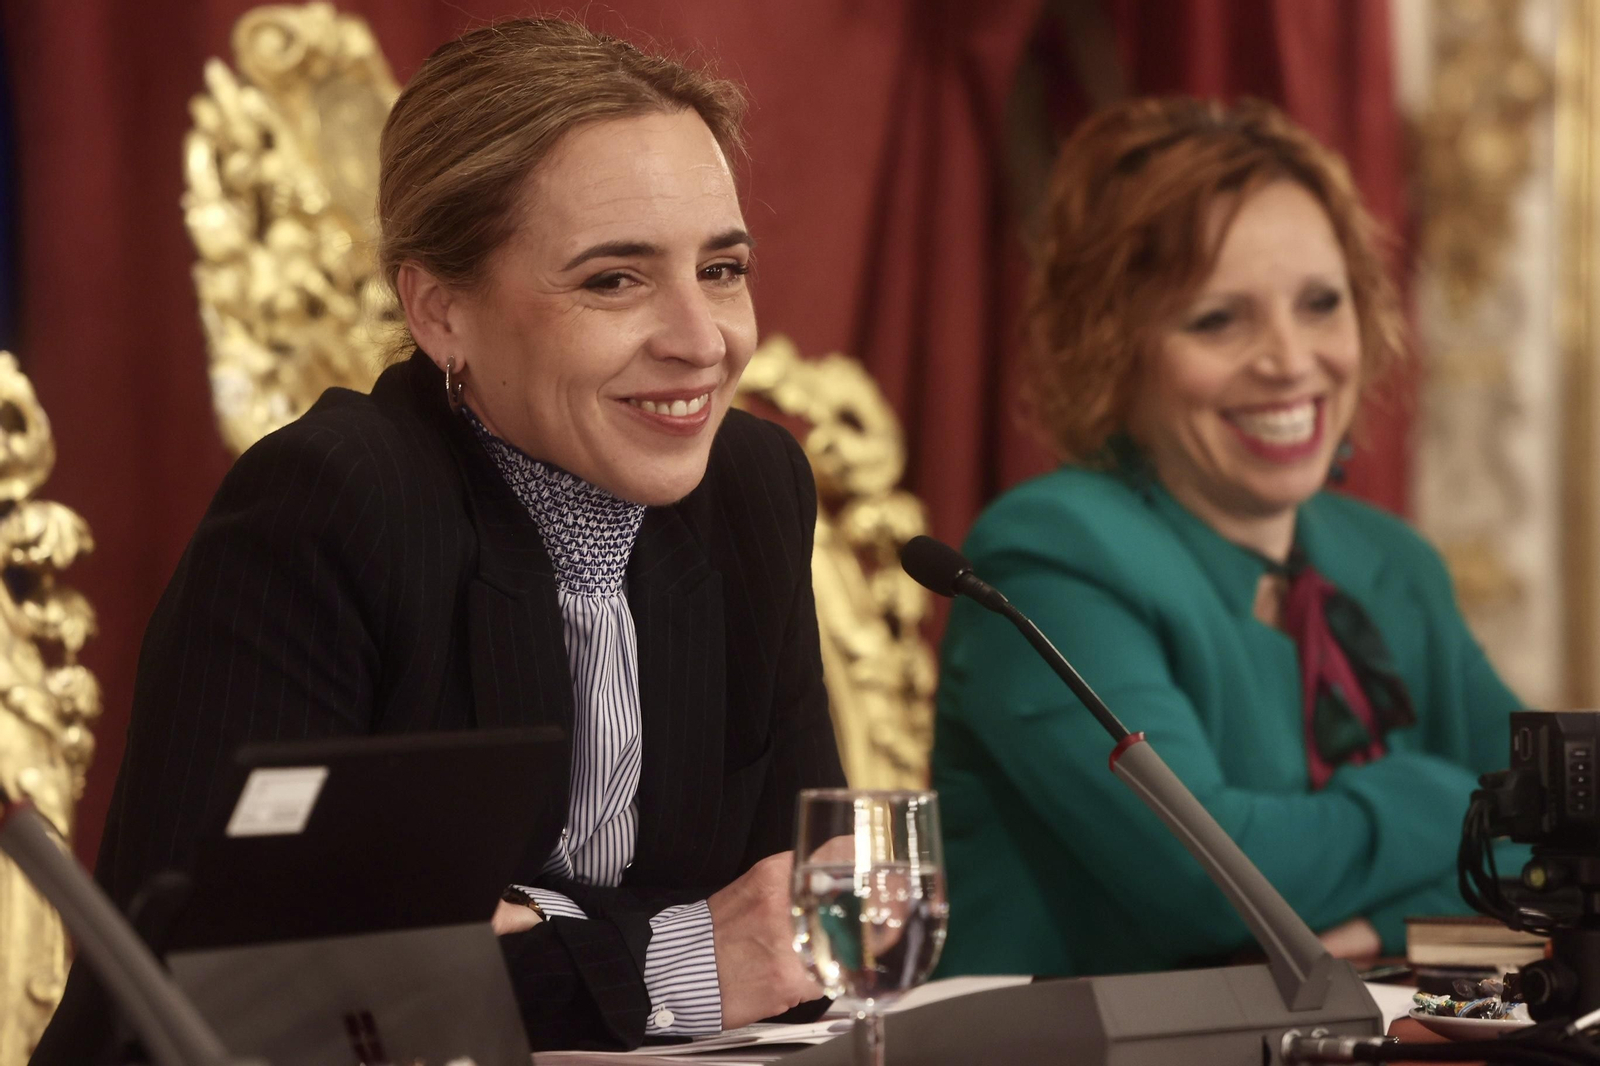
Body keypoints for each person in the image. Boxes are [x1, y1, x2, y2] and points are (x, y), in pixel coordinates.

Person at [33, 17, 843, 1061]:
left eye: (722, 268)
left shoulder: (751, 489)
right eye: (614, 279)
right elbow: (223, 1004)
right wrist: (669, 959)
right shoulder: (333, 507)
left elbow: (793, 936)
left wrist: (534, 940)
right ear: (439, 311)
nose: (703, 341)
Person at [932, 97, 1523, 979]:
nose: (1289, 359)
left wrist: (1368, 930)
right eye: (1218, 319)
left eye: (1322, 304)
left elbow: (1569, 846)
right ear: (1115, 347)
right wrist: (1447, 801)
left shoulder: (1391, 562)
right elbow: (1212, 883)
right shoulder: (1050, 554)